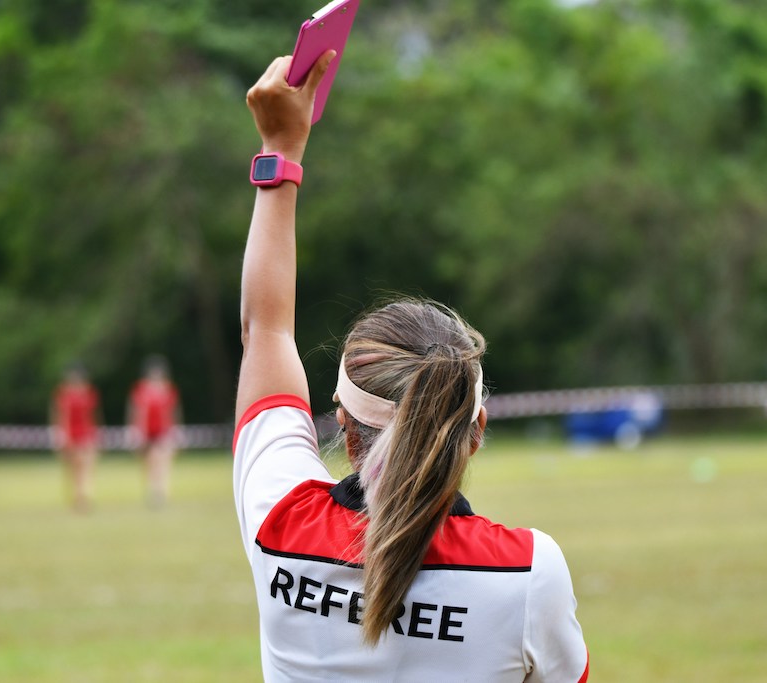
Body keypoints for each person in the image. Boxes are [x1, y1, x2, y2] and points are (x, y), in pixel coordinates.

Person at [232, 52, 589, 681]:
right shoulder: (529, 574)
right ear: (474, 429)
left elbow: (266, 329)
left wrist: (280, 148)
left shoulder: (278, 520)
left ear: (342, 420)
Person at [127, 354, 181, 507]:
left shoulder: (168, 390)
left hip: (163, 432)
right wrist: (136, 431)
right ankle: (153, 490)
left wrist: (174, 432)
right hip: (146, 433)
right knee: (149, 463)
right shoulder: (141, 390)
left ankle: (161, 491)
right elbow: (136, 411)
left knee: (162, 461)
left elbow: (173, 412)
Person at [52, 362, 101, 512]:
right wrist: (60, 435)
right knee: (73, 469)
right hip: (70, 435)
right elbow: (59, 415)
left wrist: (96, 436)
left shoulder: (89, 394)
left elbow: (94, 415)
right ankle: (76, 497)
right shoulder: (64, 394)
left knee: (86, 467)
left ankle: (84, 497)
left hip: (87, 435)